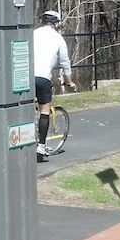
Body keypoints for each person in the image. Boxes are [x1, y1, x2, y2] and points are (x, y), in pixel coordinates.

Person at [33, 10, 75, 163]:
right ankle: (41, 145)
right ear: (56, 23)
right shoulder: (58, 38)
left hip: (26, 76)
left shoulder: (33, 33)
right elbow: (65, 62)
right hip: (43, 78)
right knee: (45, 110)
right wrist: (69, 81)